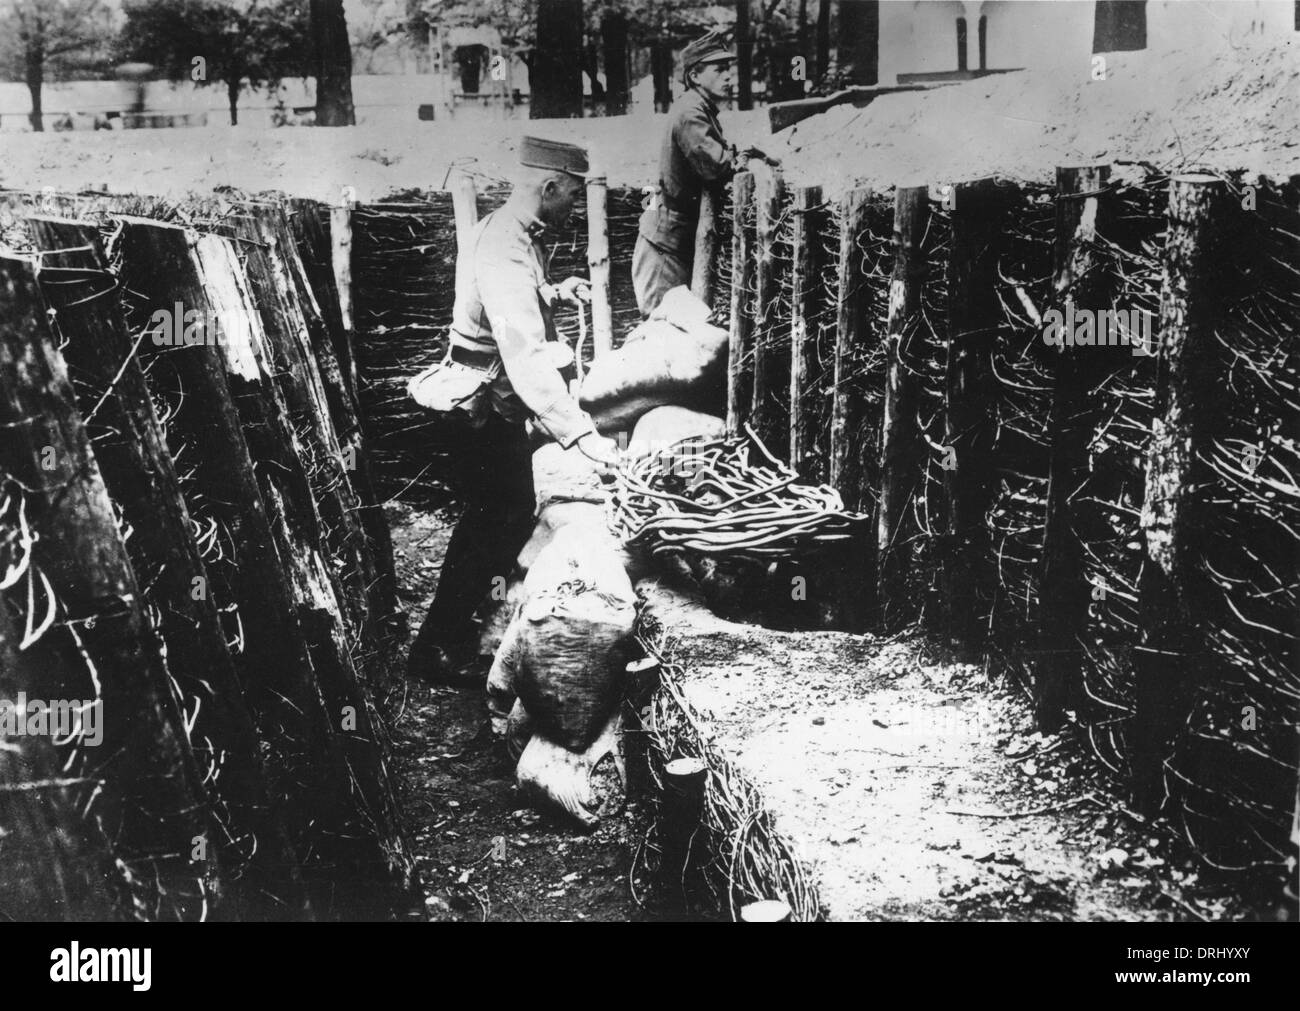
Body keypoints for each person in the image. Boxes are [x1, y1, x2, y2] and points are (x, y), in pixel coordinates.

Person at [407, 136, 622, 684]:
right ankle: (436, 648)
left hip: (491, 396)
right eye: (572, 195)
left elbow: (504, 304)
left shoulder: (514, 232)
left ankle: (455, 636)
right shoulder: (506, 241)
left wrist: (552, 293)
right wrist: (581, 433)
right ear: (549, 187)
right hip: (484, 401)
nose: (574, 206)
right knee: (493, 520)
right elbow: (522, 353)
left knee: (494, 518)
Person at [633, 29, 772, 318]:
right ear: (695, 76)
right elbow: (717, 166)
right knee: (664, 327)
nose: (729, 76)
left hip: (672, 238)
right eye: (720, 69)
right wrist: (747, 153)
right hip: (665, 246)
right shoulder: (690, 112)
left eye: (729, 69)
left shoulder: (699, 108)